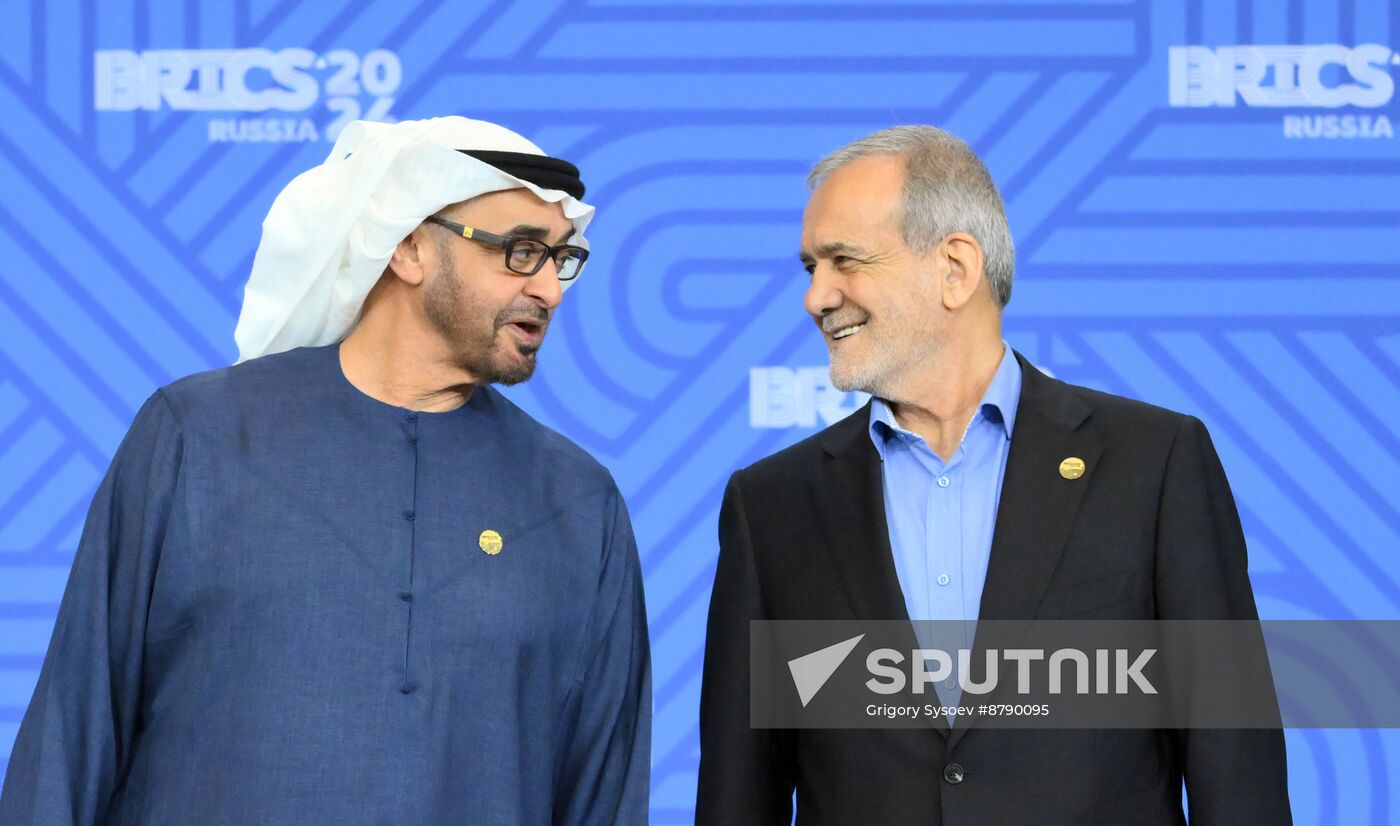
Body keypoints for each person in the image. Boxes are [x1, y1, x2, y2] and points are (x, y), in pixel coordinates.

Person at [0, 117, 650, 825]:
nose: (551, 290)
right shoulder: (201, 436)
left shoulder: (578, 500)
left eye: (562, 259)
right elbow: (74, 731)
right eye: (520, 253)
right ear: (406, 247)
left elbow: (603, 794)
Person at [695, 126, 1290, 825]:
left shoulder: (1153, 464)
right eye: (810, 268)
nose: (817, 296)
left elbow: (1236, 768)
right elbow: (740, 797)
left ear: (955, 267)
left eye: (843, 260)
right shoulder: (772, 507)